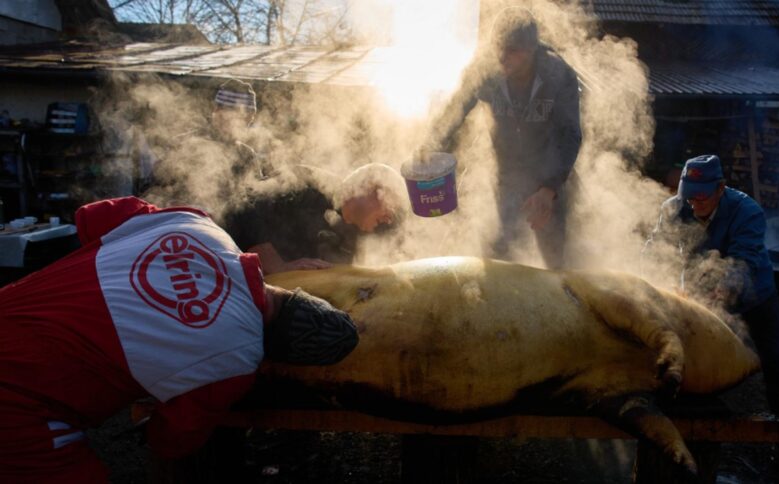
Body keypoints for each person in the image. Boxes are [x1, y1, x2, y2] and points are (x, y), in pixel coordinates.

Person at [0, 196, 358, 483]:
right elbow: (169, 441)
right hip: (20, 401)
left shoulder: (197, 224)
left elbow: (93, 216)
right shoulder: (236, 361)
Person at [645, 154, 779, 480]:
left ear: (721, 188)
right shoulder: (675, 207)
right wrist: (650, 286)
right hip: (696, 294)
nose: (694, 203)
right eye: (688, 195)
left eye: (701, 196)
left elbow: (741, 265)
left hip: (754, 300)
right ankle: (682, 432)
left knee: (777, 366)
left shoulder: (747, 212)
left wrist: (717, 293)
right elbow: (654, 248)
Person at [423, 6, 582, 269]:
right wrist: (430, 144)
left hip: (550, 177)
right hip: (507, 174)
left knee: (554, 258)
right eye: (499, 46)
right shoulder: (485, 69)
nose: (502, 56)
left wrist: (548, 189)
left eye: (513, 50)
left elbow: (570, 134)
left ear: (531, 50)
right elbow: (456, 107)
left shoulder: (558, 75)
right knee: (500, 252)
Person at [222, 163, 407, 274]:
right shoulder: (308, 181)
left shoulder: (352, 235)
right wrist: (277, 266)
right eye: (391, 206)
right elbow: (244, 206)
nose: (389, 219)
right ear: (371, 188)